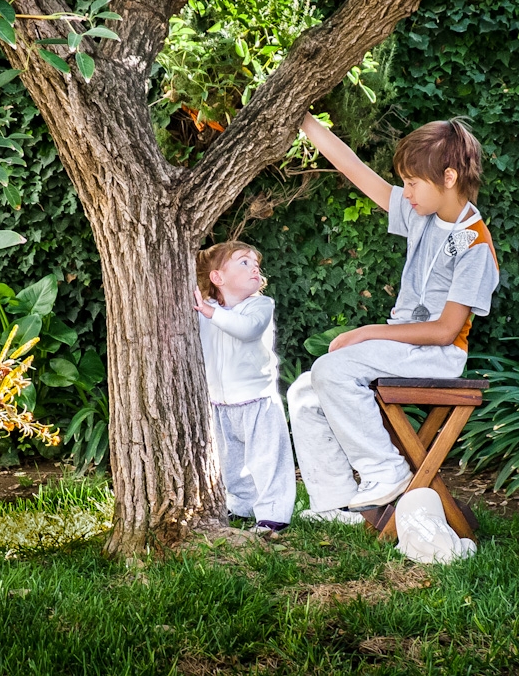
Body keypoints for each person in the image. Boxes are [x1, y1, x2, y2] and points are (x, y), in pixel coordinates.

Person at [289, 114, 499, 524]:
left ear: (450, 177)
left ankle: (385, 470)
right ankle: (335, 502)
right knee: (304, 391)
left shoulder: (475, 245)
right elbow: (354, 169)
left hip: (437, 355)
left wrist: (366, 333)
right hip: (402, 347)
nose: (405, 193)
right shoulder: (421, 212)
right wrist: (304, 121)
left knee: (331, 370)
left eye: (412, 183)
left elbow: (445, 331)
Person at [194, 241, 296, 534]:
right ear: (217, 277)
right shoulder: (207, 307)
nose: (254, 268)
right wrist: (207, 310)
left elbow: (248, 330)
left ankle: (274, 514)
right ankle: (240, 505)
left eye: (256, 264)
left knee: (267, 460)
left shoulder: (260, 305)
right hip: (219, 401)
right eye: (243, 262)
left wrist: (210, 314)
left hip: (257, 400)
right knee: (230, 462)